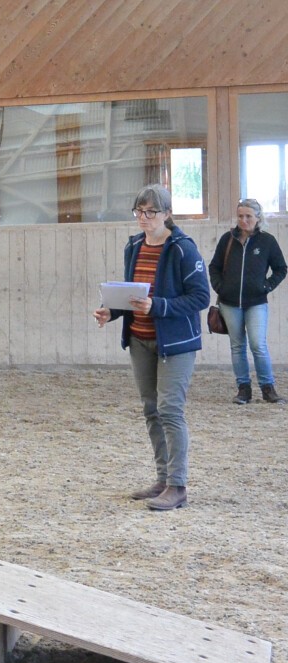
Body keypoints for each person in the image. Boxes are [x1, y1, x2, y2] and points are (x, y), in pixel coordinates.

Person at [93, 184, 208, 511]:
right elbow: (132, 295)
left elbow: (200, 297)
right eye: (139, 211)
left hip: (176, 343)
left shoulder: (184, 249)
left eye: (151, 212)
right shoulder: (133, 246)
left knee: (171, 410)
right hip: (139, 339)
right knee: (151, 409)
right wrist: (111, 311)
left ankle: (178, 485)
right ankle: (162, 479)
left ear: (167, 214)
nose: (143, 218)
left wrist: (157, 306)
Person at [209, 198, 287, 404]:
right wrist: (220, 287)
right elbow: (214, 267)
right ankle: (243, 389)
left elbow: (281, 268)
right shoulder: (227, 240)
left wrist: (267, 286)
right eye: (240, 216)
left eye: (248, 216)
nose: (243, 220)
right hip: (229, 303)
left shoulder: (267, 242)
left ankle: (268, 388)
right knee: (237, 346)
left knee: (258, 345)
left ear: (257, 218)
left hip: (256, 303)